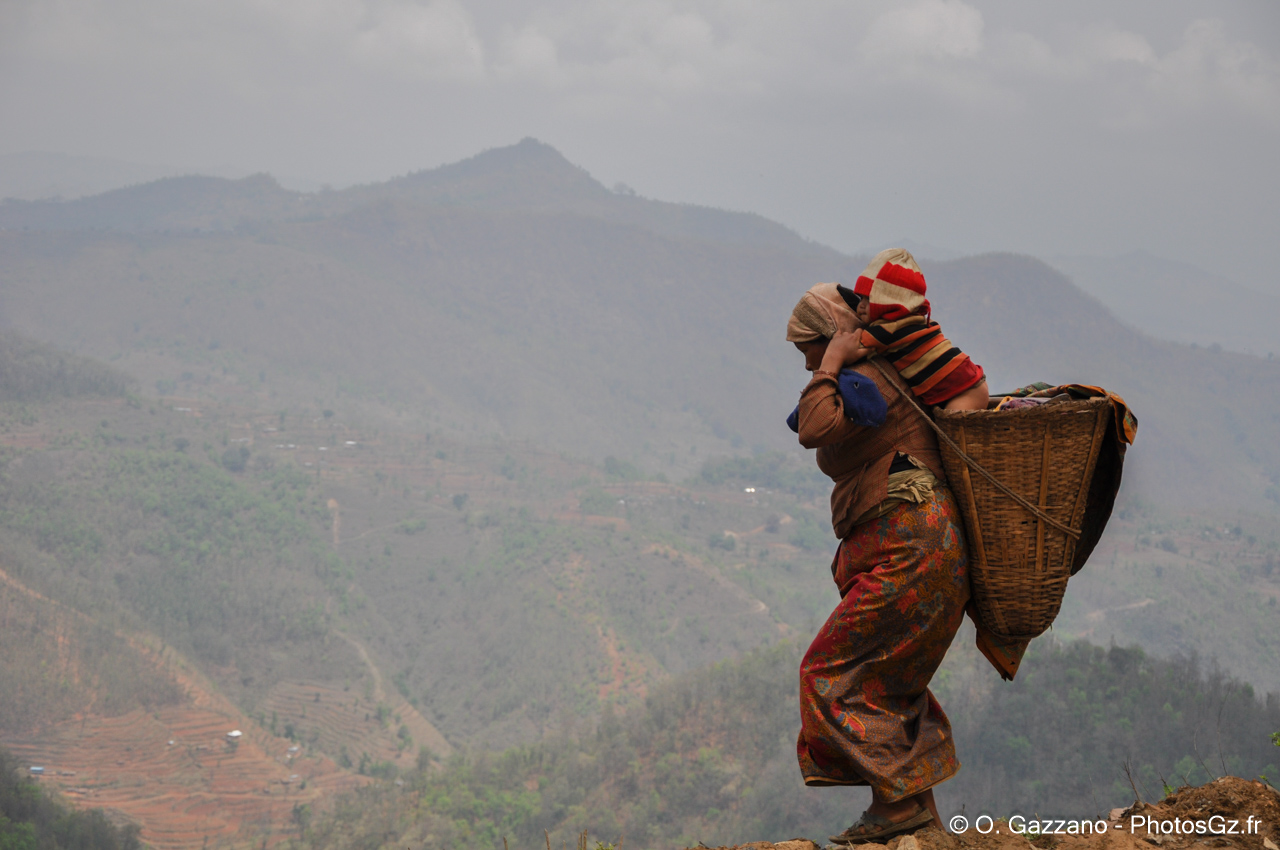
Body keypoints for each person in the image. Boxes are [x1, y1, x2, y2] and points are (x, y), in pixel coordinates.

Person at [786, 249, 986, 845]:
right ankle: (910, 811)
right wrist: (831, 367)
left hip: (912, 547)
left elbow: (816, 427)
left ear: (832, 335)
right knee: (888, 682)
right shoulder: (877, 373)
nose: (807, 366)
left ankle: (900, 811)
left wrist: (835, 364)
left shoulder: (865, 376)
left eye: (808, 351)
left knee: (831, 674)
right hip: (924, 548)